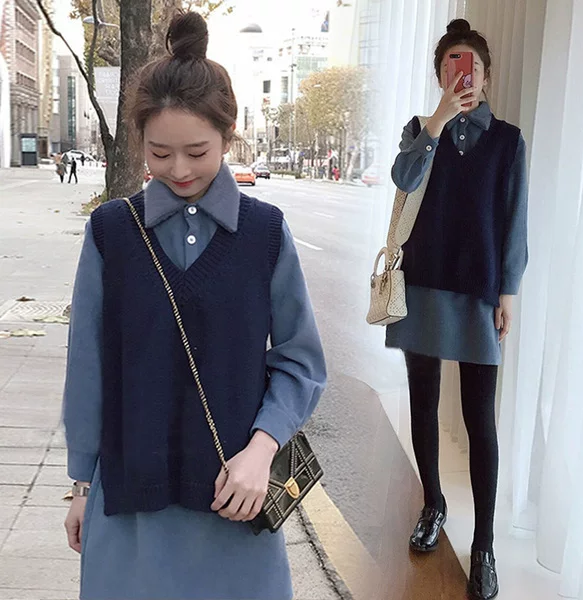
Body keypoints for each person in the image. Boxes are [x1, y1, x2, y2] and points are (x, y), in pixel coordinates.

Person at [62, 11, 326, 600]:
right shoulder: (111, 232)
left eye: (197, 151)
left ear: (229, 136)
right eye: (159, 153)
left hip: (236, 502)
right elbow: (87, 368)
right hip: (130, 507)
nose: (178, 170)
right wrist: (80, 485)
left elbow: (301, 361)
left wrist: (263, 450)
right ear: (140, 141)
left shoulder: (265, 234)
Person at [387, 19, 528, 600]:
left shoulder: (508, 141)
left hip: (478, 292)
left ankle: (484, 544)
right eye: (452, 66)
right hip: (422, 283)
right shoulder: (420, 130)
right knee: (422, 403)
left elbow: (515, 219)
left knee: (480, 419)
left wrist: (508, 292)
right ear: (440, 75)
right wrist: (437, 122)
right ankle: (434, 504)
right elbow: (403, 178)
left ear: (486, 76)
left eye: (470, 66)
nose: (462, 75)